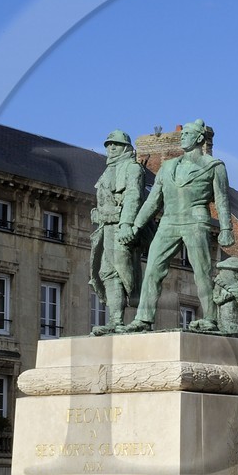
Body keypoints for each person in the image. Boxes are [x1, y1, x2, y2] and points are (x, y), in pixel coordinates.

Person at [120, 119, 234, 331]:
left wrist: (226, 228)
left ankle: (210, 317)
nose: (182, 137)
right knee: (153, 267)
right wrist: (135, 227)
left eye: (187, 134)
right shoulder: (168, 167)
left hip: (196, 219)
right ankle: (143, 318)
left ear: (199, 138)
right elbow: (153, 201)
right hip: (169, 220)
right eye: (183, 134)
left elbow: (222, 200)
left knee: (202, 271)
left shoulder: (214, 166)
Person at [88, 129, 146, 334]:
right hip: (106, 228)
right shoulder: (107, 171)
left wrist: (126, 225)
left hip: (121, 228)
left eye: (115, 144)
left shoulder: (132, 168)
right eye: (108, 144)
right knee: (107, 273)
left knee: (125, 273)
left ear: (126, 148)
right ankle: (115, 320)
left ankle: (141, 314)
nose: (110, 148)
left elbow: (133, 197)